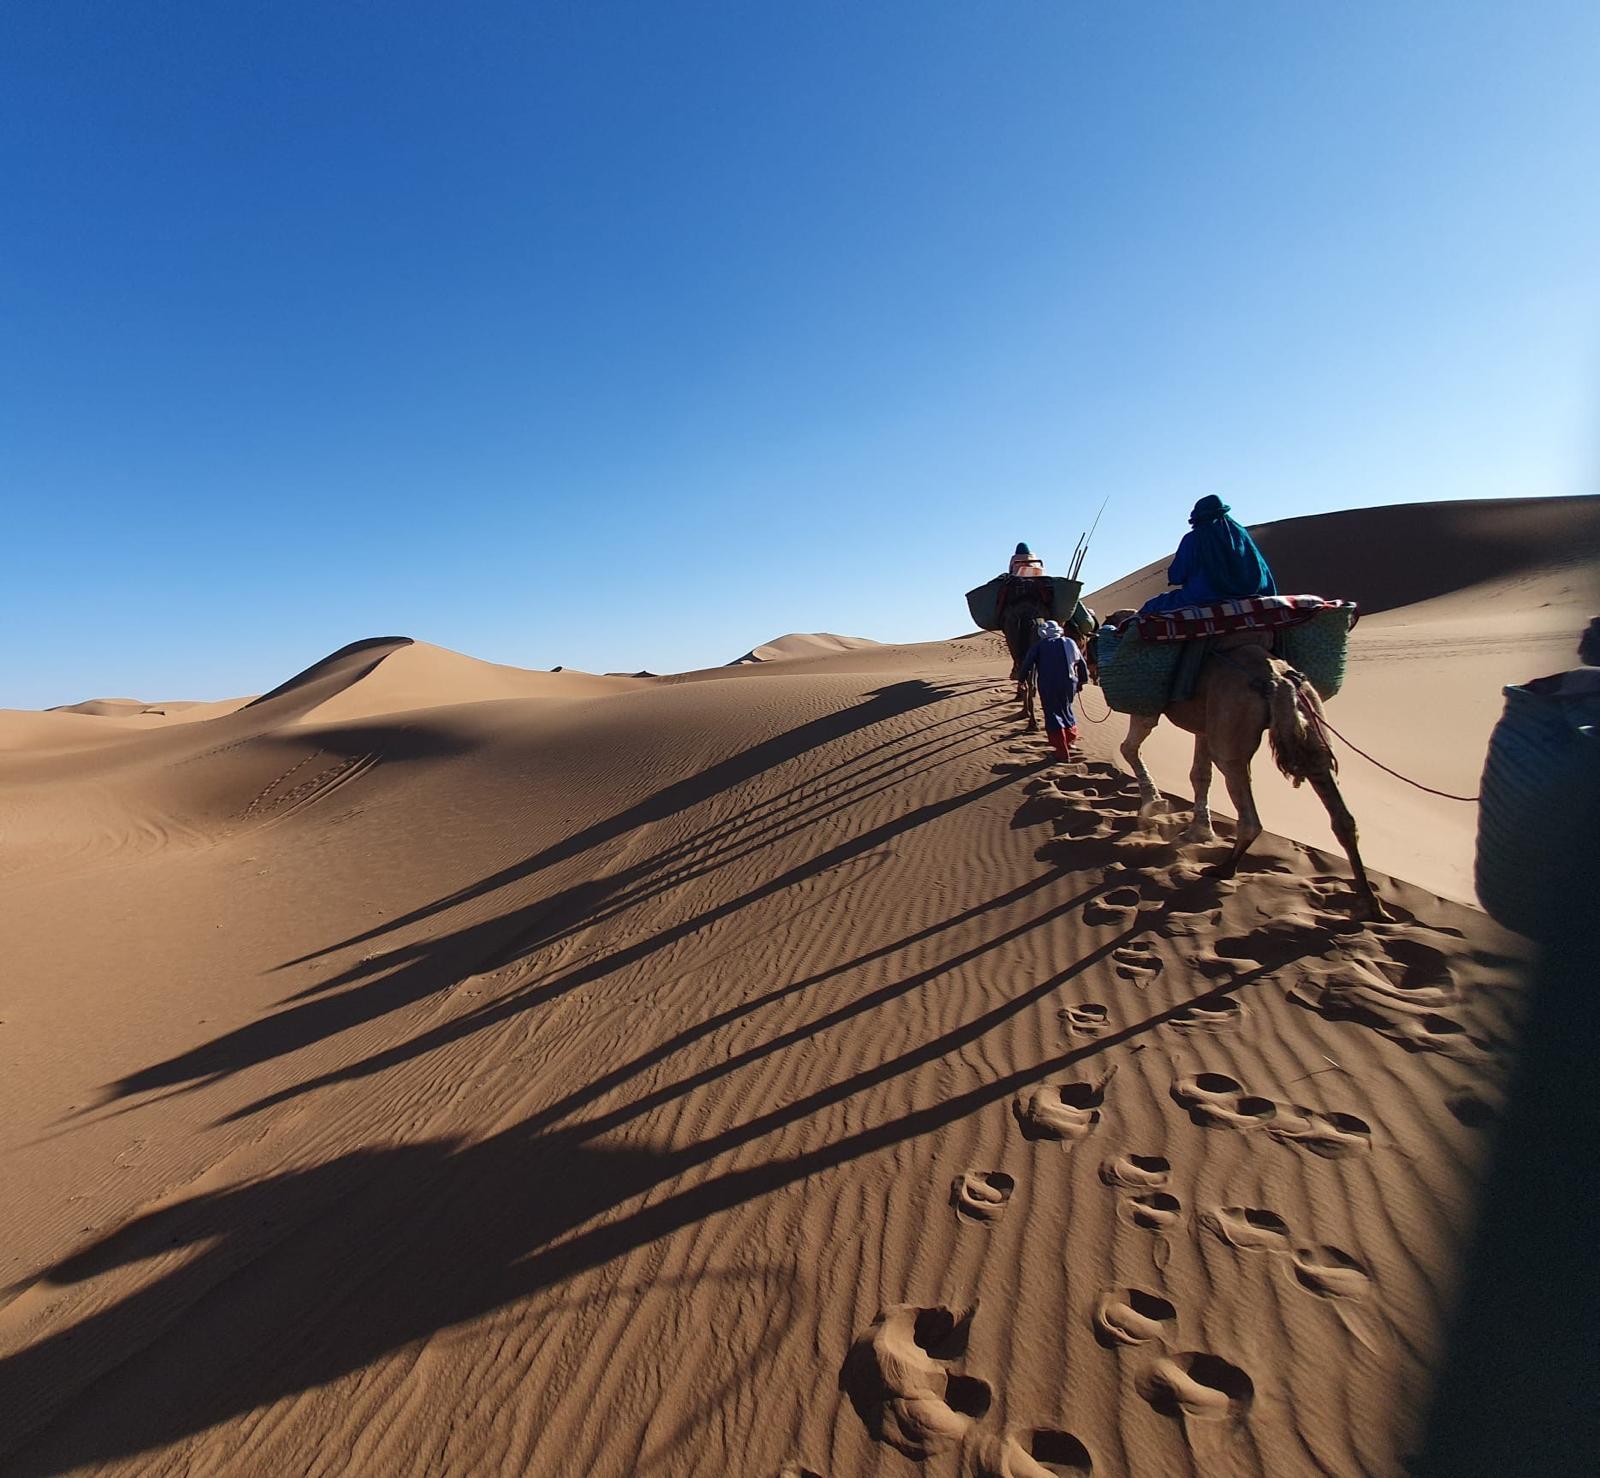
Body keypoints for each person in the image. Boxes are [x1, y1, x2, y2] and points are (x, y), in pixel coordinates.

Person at [1138, 496, 1277, 615]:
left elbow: (1177, 575)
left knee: (1150, 608)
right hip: (1255, 592)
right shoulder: (1240, 534)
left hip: (1203, 597)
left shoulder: (1193, 539)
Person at [1017, 619, 1090, 759]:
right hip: (1069, 683)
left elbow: (1027, 664)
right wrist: (1082, 681)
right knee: (1066, 709)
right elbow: (1081, 663)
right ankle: (1070, 740)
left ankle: (1061, 751)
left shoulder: (1039, 646)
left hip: (1048, 684)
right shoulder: (1070, 642)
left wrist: (1021, 680)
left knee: (1052, 714)